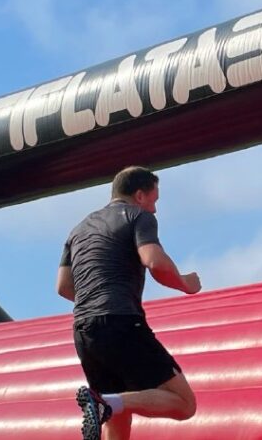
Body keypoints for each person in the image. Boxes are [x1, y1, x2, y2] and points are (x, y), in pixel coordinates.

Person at [57, 166, 202, 440]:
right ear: (139, 195)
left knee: (117, 412)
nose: (155, 209)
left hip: (83, 330)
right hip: (120, 321)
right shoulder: (138, 216)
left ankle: (105, 403)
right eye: (154, 200)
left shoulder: (78, 229)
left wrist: (96, 296)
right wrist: (185, 283)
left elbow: (64, 286)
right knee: (185, 403)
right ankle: (105, 403)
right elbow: (154, 261)